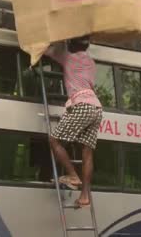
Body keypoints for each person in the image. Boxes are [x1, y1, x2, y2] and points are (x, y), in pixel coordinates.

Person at [44, 36, 102, 208]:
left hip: (81, 105)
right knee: (87, 152)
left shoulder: (67, 58)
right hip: (97, 108)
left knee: (54, 140)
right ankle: (84, 196)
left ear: (71, 45)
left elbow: (47, 51)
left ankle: (72, 175)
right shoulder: (91, 63)